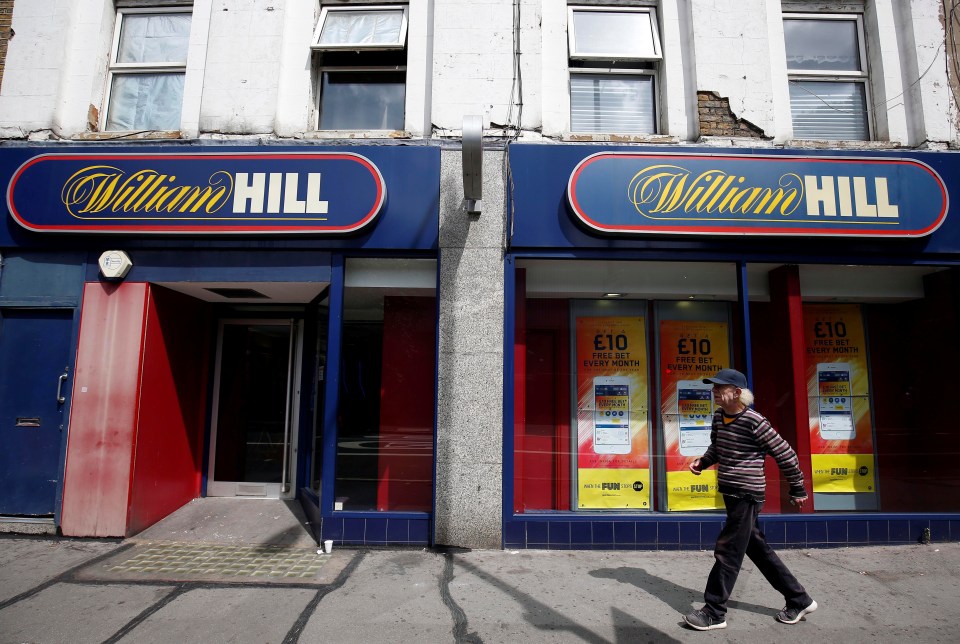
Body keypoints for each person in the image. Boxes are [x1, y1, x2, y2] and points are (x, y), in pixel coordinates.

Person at [682, 368, 818, 631]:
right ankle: (799, 599)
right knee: (756, 548)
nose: (714, 392)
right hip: (731, 493)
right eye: (714, 388)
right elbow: (718, 447)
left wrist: (798, 488)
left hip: (747, 494)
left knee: (728, 551)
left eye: (719, 388)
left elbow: (786, 454)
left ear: (737, 393)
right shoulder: (720, 417)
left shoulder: (755, 421)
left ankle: (714, 612)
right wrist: (704, 461)